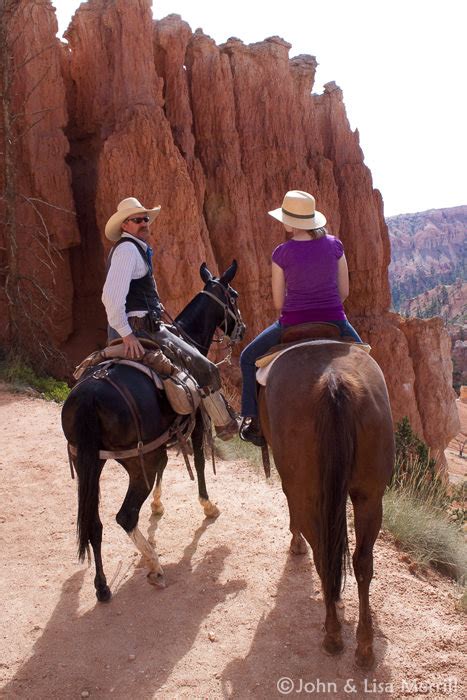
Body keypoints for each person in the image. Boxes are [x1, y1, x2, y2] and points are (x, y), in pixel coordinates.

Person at [102, 196, 238, 439]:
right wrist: (127, 334)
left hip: (142, 324)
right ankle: (225, 426)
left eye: (145, 219)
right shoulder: (127, 250)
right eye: (137, 220)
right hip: (142, 330)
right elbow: (111, 297)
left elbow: (134, 293)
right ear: (124, 225)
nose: (144, 223)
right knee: (204, 367)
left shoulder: (134, 249)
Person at [239, 190, 363, 446]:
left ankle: (254, 421)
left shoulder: (281, 253)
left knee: (248, 358)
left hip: (292, 322)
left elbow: (278, 303)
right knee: (367, 362)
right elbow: (345, 292)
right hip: (335, 320)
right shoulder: (335, 245)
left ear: (291, 221)